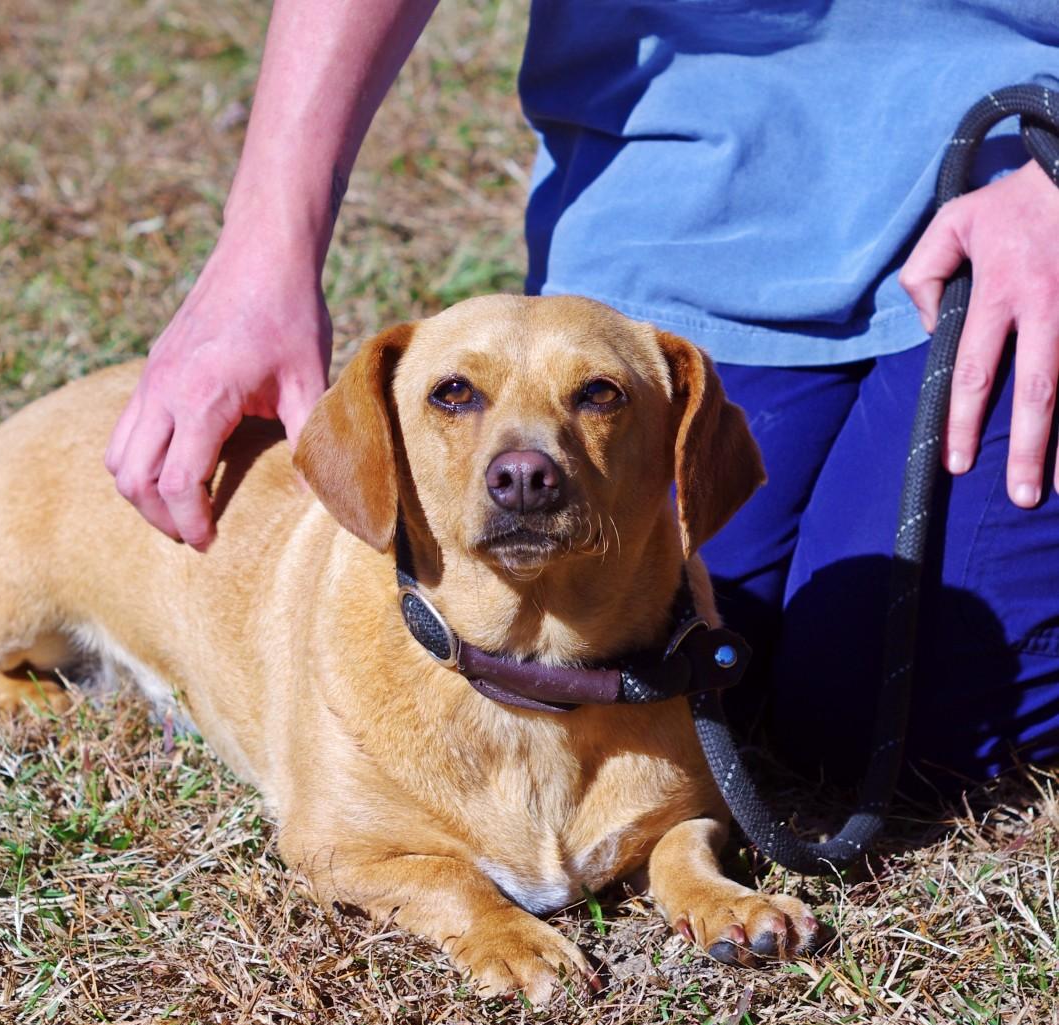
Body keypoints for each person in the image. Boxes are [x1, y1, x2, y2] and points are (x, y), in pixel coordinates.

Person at [105, 0, 1059, 783]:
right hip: (672, 208)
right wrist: (264, 246)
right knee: (703, 660)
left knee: (906, 723)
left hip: (1023, 200)